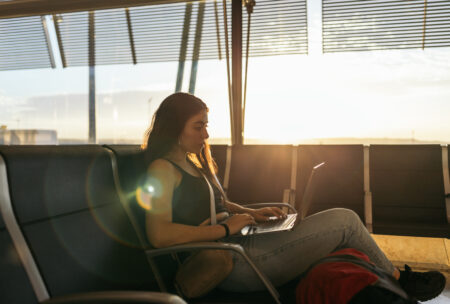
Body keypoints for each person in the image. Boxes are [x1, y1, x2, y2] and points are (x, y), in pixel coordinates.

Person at [141, 92, 446, 301]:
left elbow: (217, 204)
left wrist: (252, 213)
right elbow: (158, 234)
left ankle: (381, 287)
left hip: (238, 244)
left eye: (206, 125)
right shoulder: (162, 170)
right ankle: (399, 282)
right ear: (174, 128)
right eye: (198, 126)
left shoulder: (190, 161)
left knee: (335, 229)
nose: (206, 134)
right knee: (345, 222)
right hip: (228, 264)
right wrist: (225, 229)